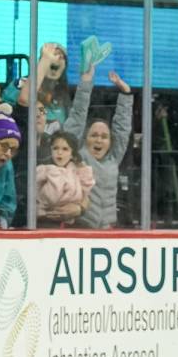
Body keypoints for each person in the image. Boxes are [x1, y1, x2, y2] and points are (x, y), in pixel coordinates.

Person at [62, 56, 134, 229]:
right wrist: (86, 82)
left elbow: (122, 129)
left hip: (106, 229)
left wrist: (126, 93)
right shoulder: (79, 155)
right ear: (85, 138)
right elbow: (78, 115)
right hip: (79, 227)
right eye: (94, 135)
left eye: (104, 136)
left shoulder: (113, 159)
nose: (99, 140)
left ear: (110, 142)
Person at [36, 130, 94, 225]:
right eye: (55, 148)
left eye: (65, 149)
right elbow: (48, 198)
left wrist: (82, 168)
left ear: (72, 154)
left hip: (71, 221)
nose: (59, 152)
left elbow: (87, 190)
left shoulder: (75, 171)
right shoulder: (44, 171)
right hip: (46, 220)